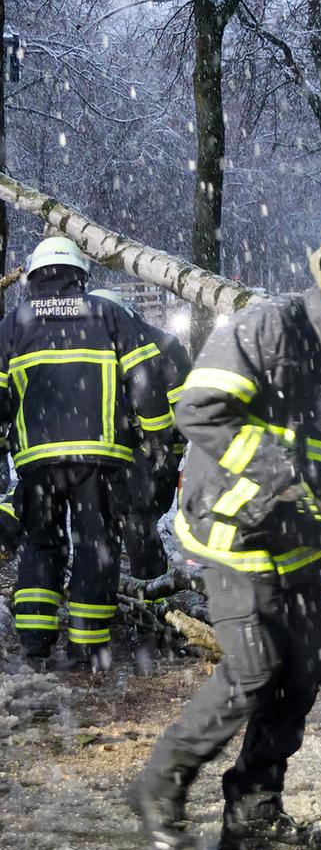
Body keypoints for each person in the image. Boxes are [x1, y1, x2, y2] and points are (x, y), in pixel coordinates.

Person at [127, 221, 321, 850]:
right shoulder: (269, 328)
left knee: (300, 675)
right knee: (252, 673)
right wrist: (272, 465)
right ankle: (160, 786)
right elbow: (200, 409)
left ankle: (254, 813)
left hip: (304, 545)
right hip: (233, 535)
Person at [0, 236, 172, 670]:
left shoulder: (12, 323)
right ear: (81, 275)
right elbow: (146, 380)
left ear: (34, 276)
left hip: (37, 460)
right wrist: (157, 437)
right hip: (100, 457)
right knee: (96, 545)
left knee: (41, 545)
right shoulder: (108, 313)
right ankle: (88, 648)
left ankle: (36, 644)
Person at [90, 288, 192, 584]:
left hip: (147, 452)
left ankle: (151, 594)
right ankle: (127, 596)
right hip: (119, 450)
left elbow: (184, 408)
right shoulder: (113, 340)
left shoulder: (160, 346)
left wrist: (163, 452)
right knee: (119, 522)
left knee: (137, 521)